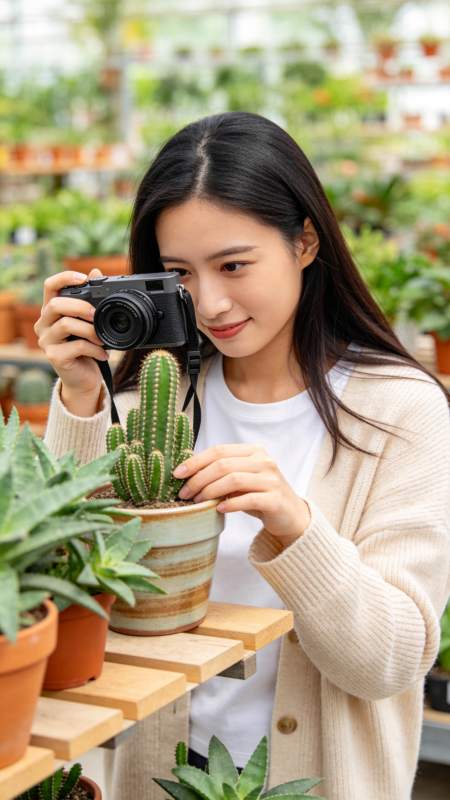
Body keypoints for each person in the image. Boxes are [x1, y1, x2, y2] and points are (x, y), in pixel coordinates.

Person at [37, 112, 450, 800]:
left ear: (305, 242)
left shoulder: (399, 409)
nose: (211, 302)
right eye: (179, 274)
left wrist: (297, 527)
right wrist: (84, 398)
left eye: (234, 264)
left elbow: (393, 659)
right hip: (157, 777)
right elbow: (65, 590)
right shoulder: (147, 402)